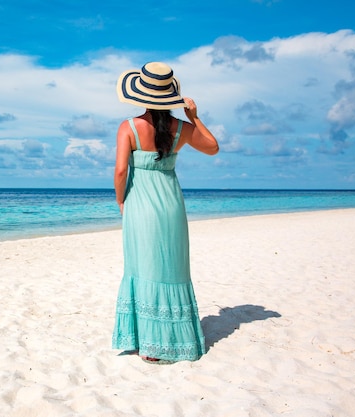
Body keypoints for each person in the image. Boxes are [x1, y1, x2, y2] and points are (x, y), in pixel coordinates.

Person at [112, 62, 219, 364]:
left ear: (141, 95)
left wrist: (121, 201)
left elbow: (121, 171)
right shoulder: (182, 129)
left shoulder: (128, 127)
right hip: (171, 205)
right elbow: (213, 148)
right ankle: (172, 340)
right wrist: (194, 118)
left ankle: (148, 344)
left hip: (140, 205)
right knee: (171, 268)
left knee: (142, 267)